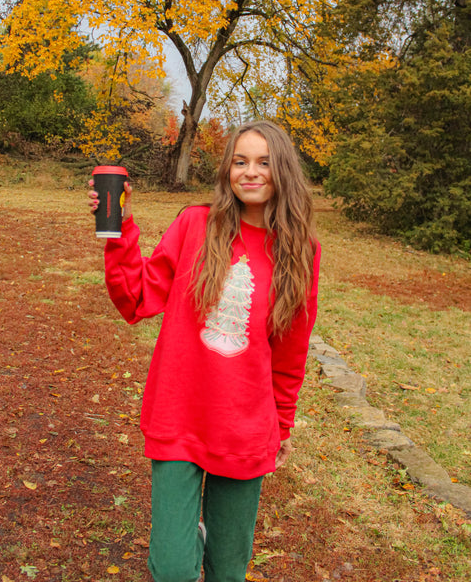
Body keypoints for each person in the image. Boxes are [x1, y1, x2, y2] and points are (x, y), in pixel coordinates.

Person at [89, 121, 321, 582]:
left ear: (284, 173)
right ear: (226, 170)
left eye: (263, 162)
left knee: (228, 571)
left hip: (244, 428)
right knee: (174, 570)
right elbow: (136, 299)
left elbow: (291, 351)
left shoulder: (301, 252)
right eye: (239, 161)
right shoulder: (196, 224)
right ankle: (186, 537)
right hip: (180, 416)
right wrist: (120, 229)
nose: (250, 172)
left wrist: (283, 424)